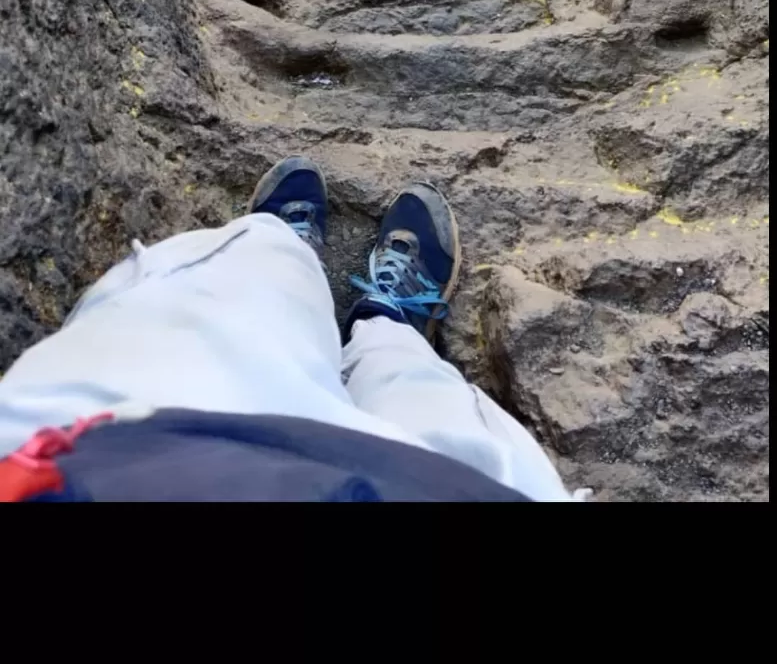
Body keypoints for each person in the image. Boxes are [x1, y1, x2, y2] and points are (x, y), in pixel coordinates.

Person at [0, 157, 579, 501]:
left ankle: (286, 253)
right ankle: (382, 324)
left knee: (220, 301)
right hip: (440, 486)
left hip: (97, 451)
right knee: (423, 397)